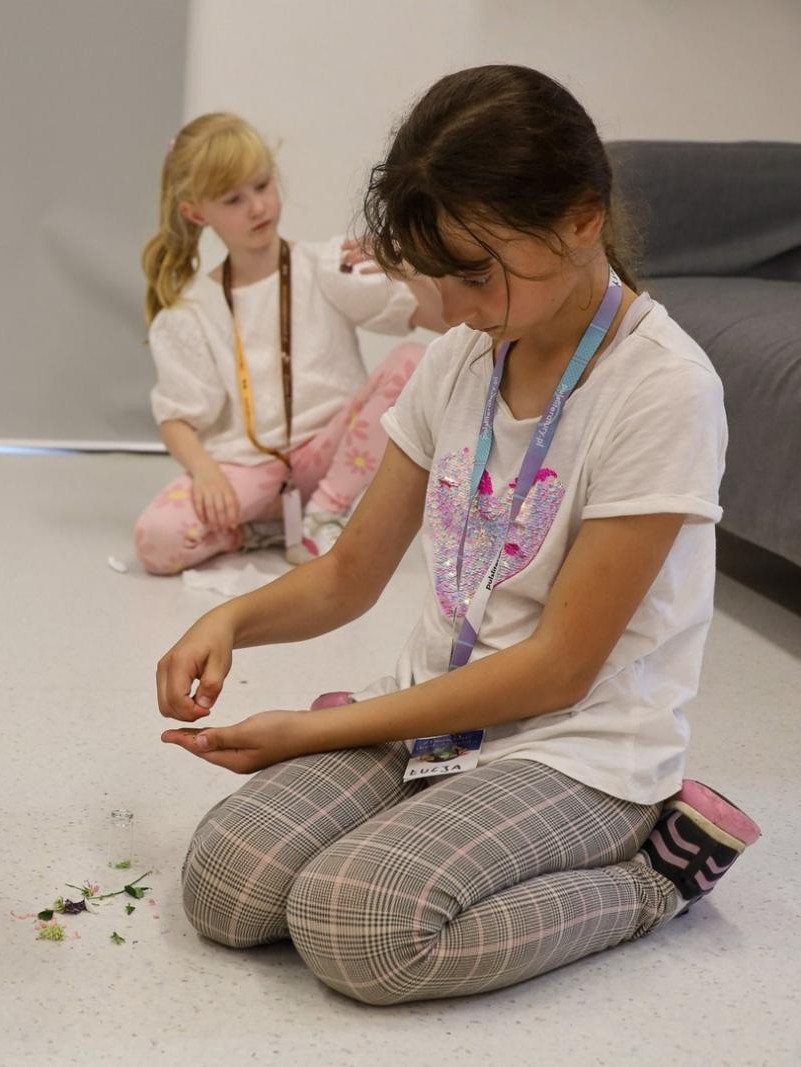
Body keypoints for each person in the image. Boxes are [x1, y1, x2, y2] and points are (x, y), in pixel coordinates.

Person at [154, 68, 760, 1004]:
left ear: (582, 218)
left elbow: (560, 669)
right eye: (442, 275)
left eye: (477, 273)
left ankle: (657, 875)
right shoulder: (460, 359)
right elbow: (350, 572)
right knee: (226, 883)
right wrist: (233, 619)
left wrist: (317, 730)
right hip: (440, 715)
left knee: (357, 926)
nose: (457, 305)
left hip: (579, 744)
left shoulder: (662, 390)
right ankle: (420, 807)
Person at [136, 112, 447, 575]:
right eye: (233, 199)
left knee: (411, 360)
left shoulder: (323, 267)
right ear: (197, 212)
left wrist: (409, 267)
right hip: (251, 468)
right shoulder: (193, 311)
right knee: (156, 542)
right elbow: (177, 419)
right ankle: (266, 528)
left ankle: (326, 511)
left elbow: (445, 320)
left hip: (334, 454)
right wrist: (205, 473)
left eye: (262, 186)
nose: (257, 207)